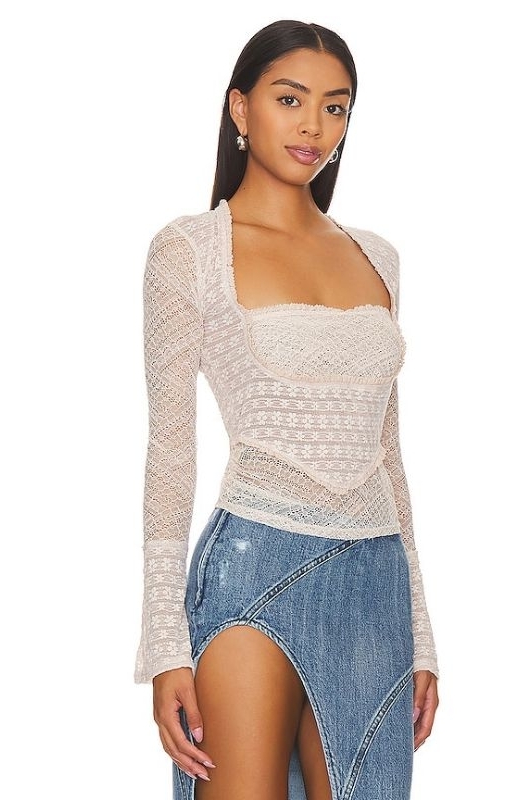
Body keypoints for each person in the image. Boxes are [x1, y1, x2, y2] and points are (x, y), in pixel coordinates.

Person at [133, 19, 440, 800]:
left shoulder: (377, 258)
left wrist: (421, 634)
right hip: (252, 568)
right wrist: (165, 645)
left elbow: (389, 456)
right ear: (240, 108)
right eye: (290, 99)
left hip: (375, 581)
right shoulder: (190, 250)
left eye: (335, 107)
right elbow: (170, 452)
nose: (313, 127)